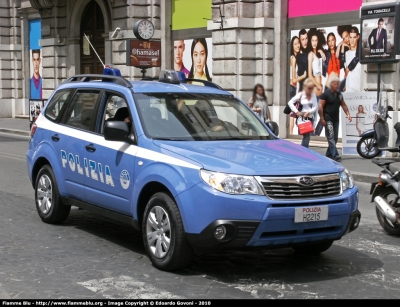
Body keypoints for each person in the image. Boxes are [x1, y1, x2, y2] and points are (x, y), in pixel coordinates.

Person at [319, 77, 352, 161]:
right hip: (328, 119)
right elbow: (320, 106)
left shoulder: (339, 95)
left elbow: (343, 105)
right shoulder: (326, 94)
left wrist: (348, 114)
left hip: (336, 119)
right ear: (331, 85)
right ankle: (335, 155)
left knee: (335, 138)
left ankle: (328, 155)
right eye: (335, 84)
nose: (337, 86)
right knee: (331, 137)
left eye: (338, 84)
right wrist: (322, 118)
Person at [287, 78, 318, 148]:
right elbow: (290, 102)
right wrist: (296, 111)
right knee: (306, 136)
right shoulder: (300, 95)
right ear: (305, 87)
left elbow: (315, 107)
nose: (310, 90)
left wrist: (309, 112)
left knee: (307, 136)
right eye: (309, 88)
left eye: (312, 88)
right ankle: (304, 150)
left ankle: (303, 149)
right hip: (301, 118)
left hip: (310, 118)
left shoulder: (313, 95)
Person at [289, 36, 306, 134]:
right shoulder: (293, 58)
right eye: (295, 44)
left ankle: (291, 134)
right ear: (292, 45)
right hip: (292, 88)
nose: (298, 45)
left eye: (298, 43)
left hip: (293, 88)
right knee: (292, 115)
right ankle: (290, 135)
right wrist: (303, 76)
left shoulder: (295, 57)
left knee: (292, 114)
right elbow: (294, 79)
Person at [307, 29, 326, 97]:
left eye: (316, 40)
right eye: (313, 40)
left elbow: (324, 59)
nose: (314, 43)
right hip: (315, 86)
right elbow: (309, 75)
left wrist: (320, 51)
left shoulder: (317, 53)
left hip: (320, 86)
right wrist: (318, 86)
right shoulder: (310, 54)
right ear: (310, 41)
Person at [335, 25, 352, 92]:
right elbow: (341, 62)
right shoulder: (345, 47)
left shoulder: (355, 44)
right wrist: (340, 46)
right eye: (344, 38)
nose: (346, 39)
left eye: (347, 36)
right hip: (346, 76)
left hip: (352, 76)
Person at [345, 27, 361, 92]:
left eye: (354, 37)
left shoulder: (360, 54)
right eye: (350, 37)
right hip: (349, 90)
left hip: (359, 89)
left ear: (358, 37)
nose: (352, 40)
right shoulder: (346, 53)